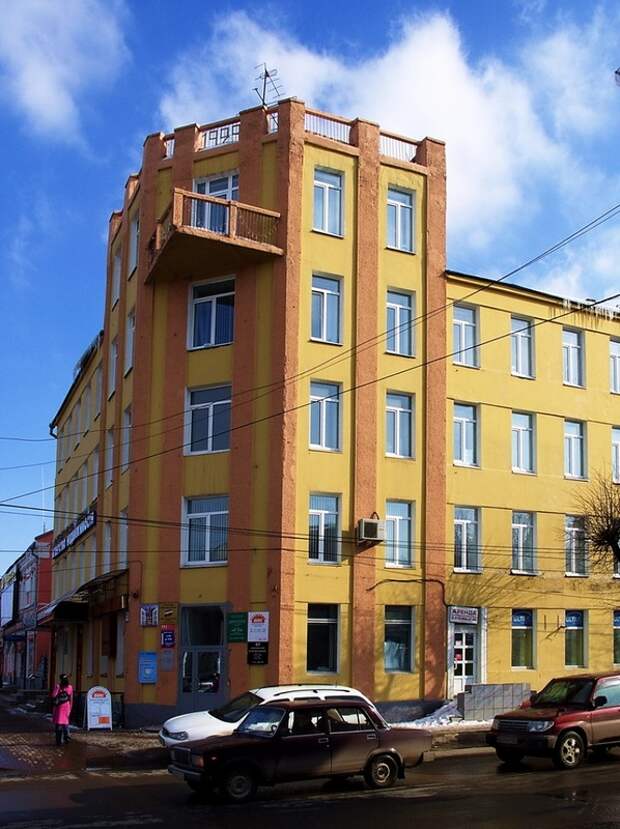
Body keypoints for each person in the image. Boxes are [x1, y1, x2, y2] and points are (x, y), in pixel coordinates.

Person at [51, 673, 73, 746]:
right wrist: (70, 708)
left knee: (59, 724)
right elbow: (71, 698)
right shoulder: (70, 687)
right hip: (66, 707)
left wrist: (57, 688)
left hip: (59, 707)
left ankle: (59, 741)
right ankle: (66, 738)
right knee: (65, 723)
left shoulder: (58, 686)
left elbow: (53, 695)